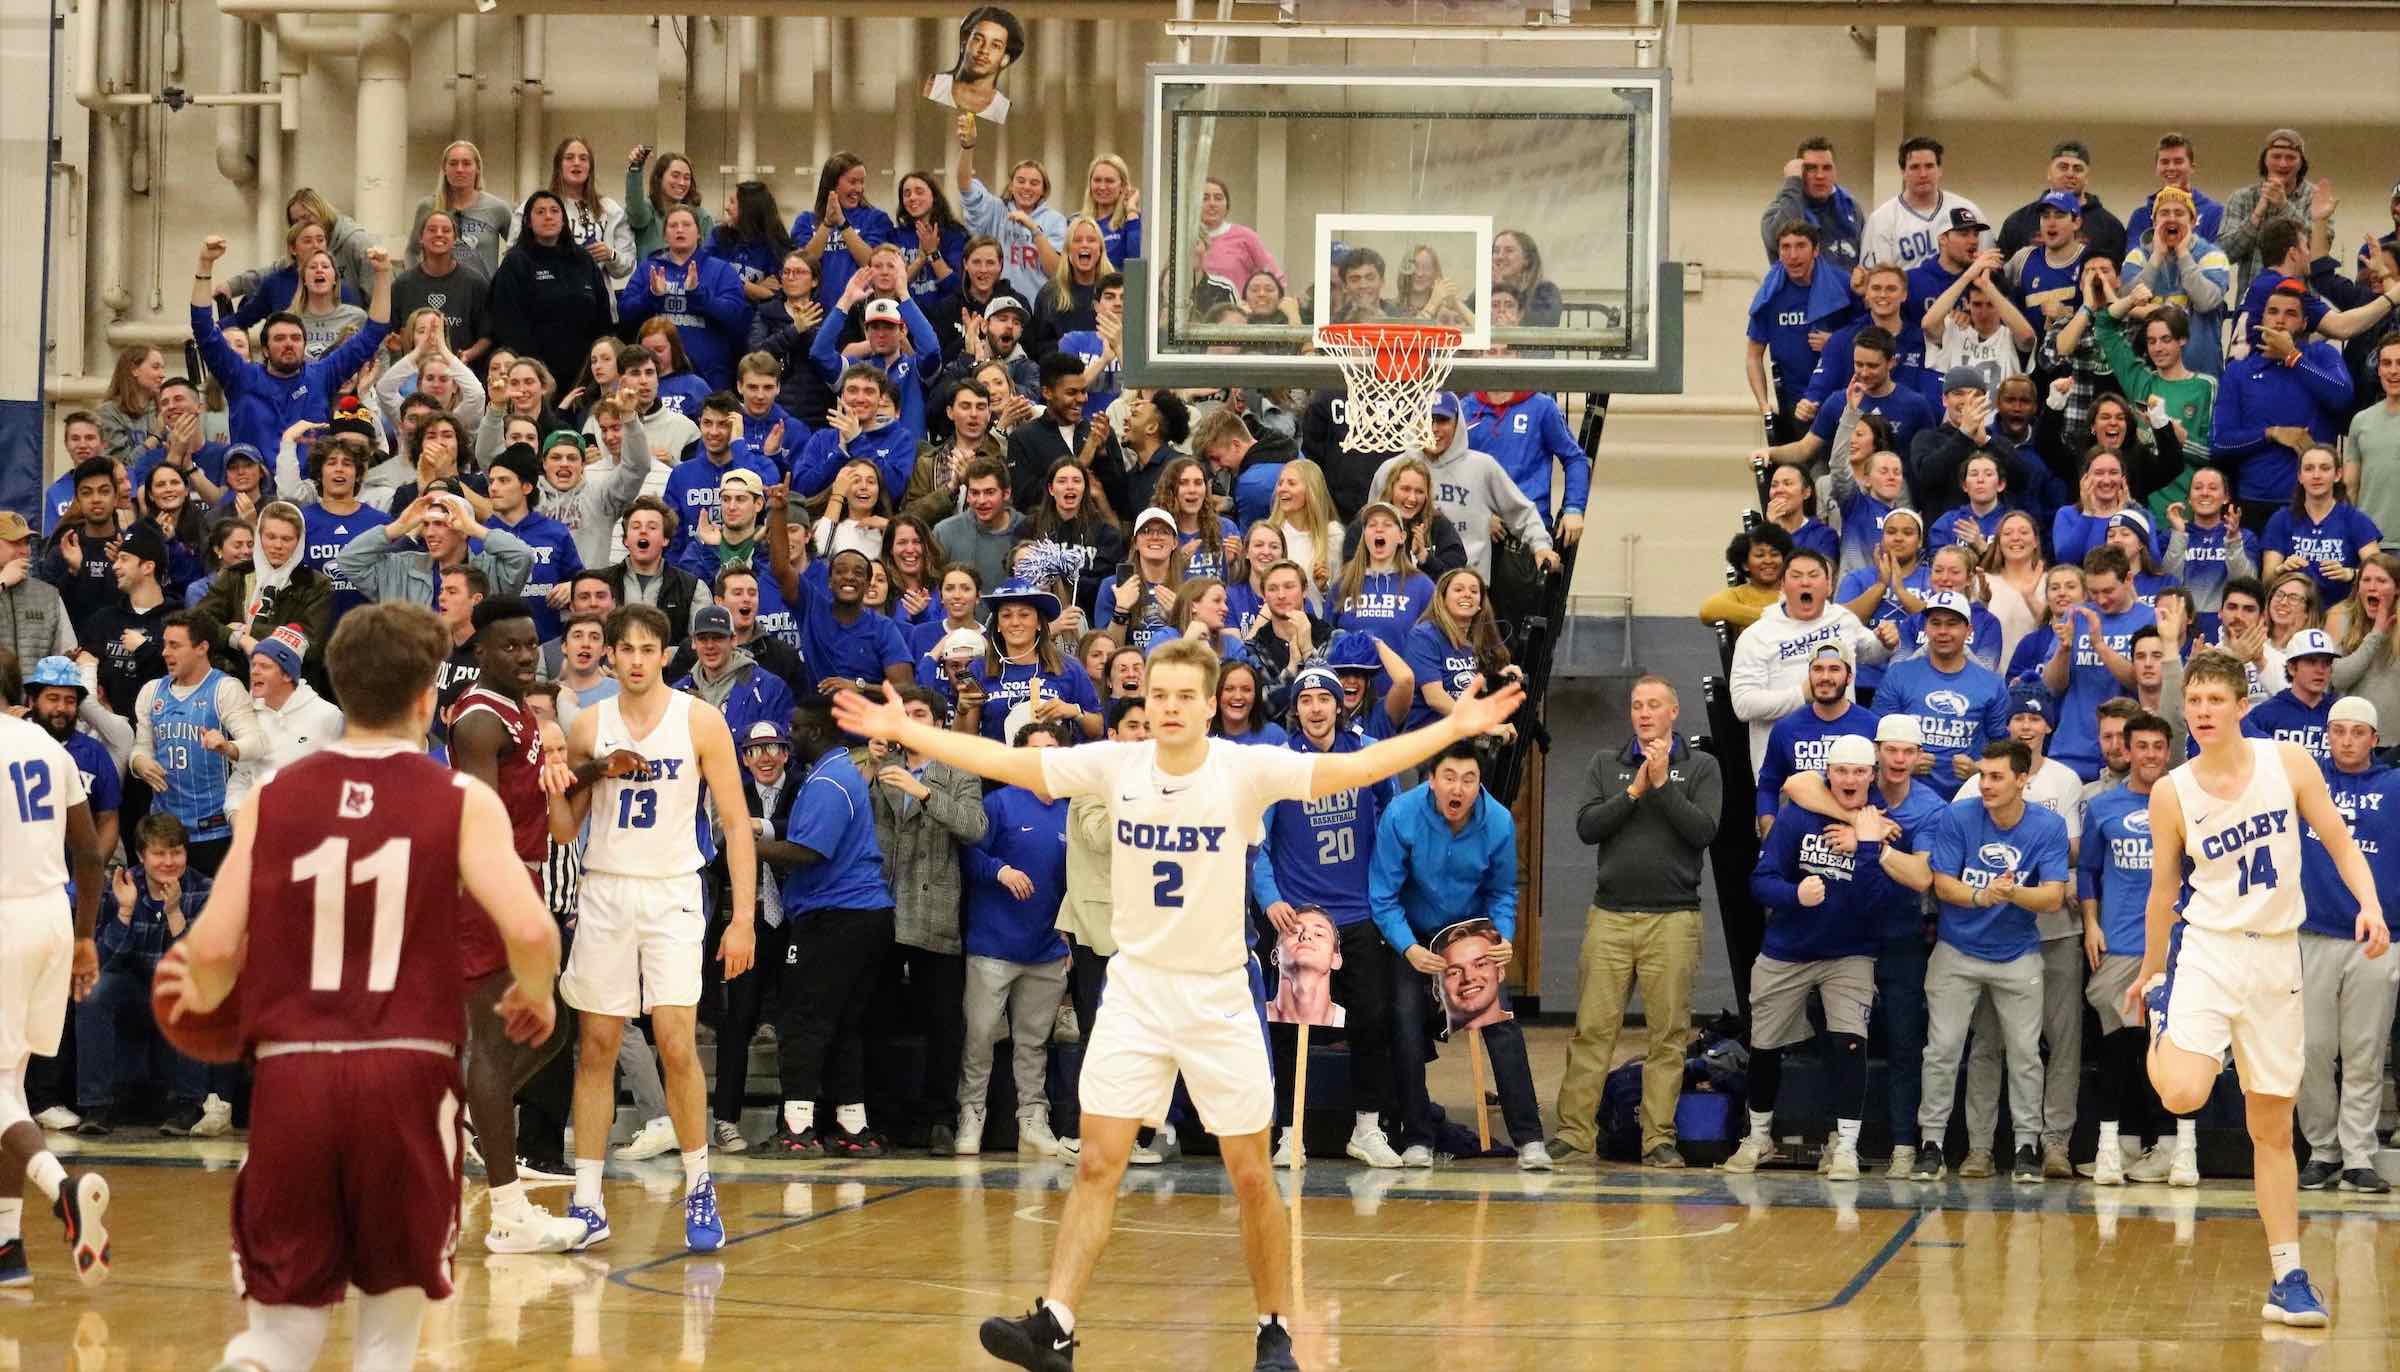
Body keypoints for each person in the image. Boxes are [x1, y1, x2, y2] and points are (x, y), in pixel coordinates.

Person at [832, 636, 1522, 1372]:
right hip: (1137, 988)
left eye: (1184, 697)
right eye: (1158, 695)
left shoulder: (1245, 768)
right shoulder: (1115, 764)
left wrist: (1450, 728)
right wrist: (907, 732)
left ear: (1209, 705)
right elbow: (1009, 763)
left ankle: (1275, 1328)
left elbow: (1353, 768)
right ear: (1145, 701)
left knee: (1252, 1173)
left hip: (1219, 993)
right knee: (1098, 1162)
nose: (1169, 707)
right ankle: (1057, 1322)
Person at [155, 601, 560, 1367]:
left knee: (280, 1335)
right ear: (426, 698)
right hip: (408, 1073)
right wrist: (534, 993)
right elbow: (533, 933)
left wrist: (204, 1014)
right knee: (386, 1338)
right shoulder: (459, 799)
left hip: (293, 1073)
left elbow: (207, 954)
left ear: (338, 688)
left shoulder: (274, 798)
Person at [2129, 649, 2388, 1326]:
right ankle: (2166, 1014)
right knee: (2183, 1091)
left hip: (2279, 960)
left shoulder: (2288, 764)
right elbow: (2162, 892)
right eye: (2195, 701)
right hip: (2208, 950)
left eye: (2217, 700)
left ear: (2242, 706)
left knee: (2271, 1128)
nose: (2205, 711)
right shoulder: (2171, 791)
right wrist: (2152, 970)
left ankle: (2289, 1276)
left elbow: (2336, 837)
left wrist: (2370, 903)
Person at [546, 604, 757, 1253]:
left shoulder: (700, 720)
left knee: (675, 1041)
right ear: (609, 656)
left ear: (666, 654)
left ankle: (699, 1184)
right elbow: (561, 829)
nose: (636, 659)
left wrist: (743, 917)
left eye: (647, 648)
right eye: (625, 649)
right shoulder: (587, 725)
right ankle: (586, 1199)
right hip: (606, 887)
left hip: (672, 893)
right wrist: (572, 777)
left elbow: (736, 822)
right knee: (598, 1044)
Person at [442, 599, 589, 1253]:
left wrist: (595, 771)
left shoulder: (518, 712)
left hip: (522, 878)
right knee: (500, 1050)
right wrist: (507, 901)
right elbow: (477, 820)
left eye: (532, 645)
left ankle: (460, 1117)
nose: (528, 656)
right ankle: (507, 1213)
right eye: (511, 647)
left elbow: (531, 800)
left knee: (552, 1027)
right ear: (481, 653)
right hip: (487, 889)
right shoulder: (477, 719)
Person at [1731, 734, 1929, 1181]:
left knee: (1849, 1043)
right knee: (1764, 1043)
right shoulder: (1798, 815)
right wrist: (1794, 894)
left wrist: (1863, 848)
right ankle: (1758, 1136)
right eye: (1842, 771)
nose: (1851, 779)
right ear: (1829, 774)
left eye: (1860, 772)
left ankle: (1845, 1145)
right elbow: (1760, 881)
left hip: (1850, 951)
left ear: (1872, 775)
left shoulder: (1882, 824)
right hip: (1787, 948)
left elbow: (1876, 901)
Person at [1548, 675, 1721, 1168]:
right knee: (1592, 1029)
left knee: (1668, 1035)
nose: (1644, 713)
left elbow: (1703, 831)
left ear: (1674, 711)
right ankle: (1574, 1133)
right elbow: (1587, 827)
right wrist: (1634, 791)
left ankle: (1657, 1139)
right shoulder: (1607, 764)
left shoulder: (1702, 766)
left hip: (1674, 920)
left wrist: (1662, 785)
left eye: (1654, 705)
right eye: (1636, 706)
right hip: (1610, 917)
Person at [1370, 741, 1548, 1171]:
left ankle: (1530, 1139)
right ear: (1431, 780)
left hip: (1470, 935)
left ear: (1478, 783)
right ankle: (1417, 1138)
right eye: (1449, 777)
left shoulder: (1500, 822)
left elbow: (1503, 891)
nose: (1459, 788)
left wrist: (1501, 940)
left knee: (1501, 1027)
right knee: (1406, 1026)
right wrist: (1409, 948)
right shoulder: (1401, 814)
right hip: (1412, 936)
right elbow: (1382, 895)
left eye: (1469, 779)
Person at [1252, 666, 1402, 1167]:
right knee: (1292, 1027)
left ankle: (1367, 1128)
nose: (1316, 707)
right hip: (1300, 920)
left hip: (1358, 915)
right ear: (1296, 710)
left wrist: (1383, 891)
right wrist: (1270, 897)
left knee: (1372, 1021)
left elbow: (1395, 822)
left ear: (1342, 705)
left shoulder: (1367, 754)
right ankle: (1289, 1133)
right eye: (1307, 700)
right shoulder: (1280, 765)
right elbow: (1257, 842)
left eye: (1324, 698)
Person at [1910, 740, 2072, 1183]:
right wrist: (1984, 895)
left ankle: (2025, 1146)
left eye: (1997, 777)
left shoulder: (2048, 826)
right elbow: (1942, 885)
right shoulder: (1959, 816)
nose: (1985, 784)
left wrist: (2012, 893)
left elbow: (2054, 896)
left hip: (2017, 954)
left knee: (2024, 1054)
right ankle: (1932, 1143)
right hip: (1957, 950)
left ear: (2023, 780)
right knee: (1941, 1049)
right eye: (1982, 775)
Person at [0, 648, 111, 1289]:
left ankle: (61, 1189)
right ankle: (8, 1248)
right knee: (9, 1088)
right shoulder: (50, 747)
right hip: (49, 916)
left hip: (5, 919)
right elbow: (89, 853)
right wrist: (85, 937)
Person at [756, 700, 898, 1158]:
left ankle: (798, 1128)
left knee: (804, 1021)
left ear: (815, 731)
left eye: (794, 728)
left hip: (835, 916)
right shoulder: (837, 774)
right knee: (842, 1026)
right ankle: (852, 1128)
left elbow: (809, 852)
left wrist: (749, 846)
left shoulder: (829, 780)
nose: (789, 735)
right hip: (861, 916)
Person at [2075, 710, 2191, 1188]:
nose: (2149, 755)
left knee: (2165, 1047)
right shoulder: (2103, 808)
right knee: (2119, 1047)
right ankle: (2121, 1143)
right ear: (2127, 750)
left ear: (2168, 753)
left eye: (2157, 747)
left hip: (2172, 946)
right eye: (2140, 746)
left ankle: (2168, 1146)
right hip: (2118, 943)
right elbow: (2086, 871)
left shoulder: (2187, 805)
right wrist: (2089, 924)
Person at [955, 714, 1076, 1159]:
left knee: (1033, 1042)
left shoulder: (1072, 809)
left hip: (1047, 949)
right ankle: (971, 1115)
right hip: (993, 945)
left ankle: (1033, 1119)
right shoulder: (1000, 803)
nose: (1042, 759)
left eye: (1051, 751)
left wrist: (1069, 935)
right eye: (1033, 750)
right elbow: (968, 855)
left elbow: (1080, 879)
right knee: (981, 1036)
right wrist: (1000, 870)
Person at [2292, 696, 2399, 1194]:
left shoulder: (2395, 788)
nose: (2348, 741)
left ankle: (2357, 1155)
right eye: (2339, 731)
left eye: (2359, 732)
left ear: (2375, 739)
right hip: (2312, 932)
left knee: (2364, 1050)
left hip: (2379, 937)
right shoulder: (2304, 784)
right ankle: (2322, 1149)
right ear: (2326, 735)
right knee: (2310, 1049)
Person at [190, 235, 395, 457]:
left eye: (296, 338)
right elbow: (203, 328)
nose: (289, 343)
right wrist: (205, 263)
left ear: (305, 345)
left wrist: (383, 274)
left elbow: (374, 331)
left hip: (311, 489)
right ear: (265, 350)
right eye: (279, 339)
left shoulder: (322, 375)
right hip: (254, 488)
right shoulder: (241, 376)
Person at [127, 610, 263, 876]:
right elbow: (141, 746)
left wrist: (228, 747)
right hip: (165, 830)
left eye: (175, 645)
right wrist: (139, 762)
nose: (165, 652)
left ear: (202, 648)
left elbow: (256, 743)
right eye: (165, 644)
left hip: (214, 831)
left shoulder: (225, 688)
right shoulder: (151, 691)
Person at [1729, 549, 1883, 769]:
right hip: (1786, 767)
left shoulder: (1843, 620)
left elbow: (1871, 653)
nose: (1805, 583)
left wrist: (1886, 643)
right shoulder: (1756, 637)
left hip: (1846, 764)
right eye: (1796, 576)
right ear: (1782, 585)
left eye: (1813, 575)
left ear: (1829, 585)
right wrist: (1801, 695)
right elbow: (1744, 705)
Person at [1874, 589, 2010, 800]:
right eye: (1935, 623)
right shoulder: (1899, 675)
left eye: (1952, 623)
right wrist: (1904, 765)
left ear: (1968, 630)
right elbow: (1877, 737)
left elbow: (2002, 748)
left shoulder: (1991, 684)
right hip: (1907, 797)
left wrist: (1979, 770)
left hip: (1968, 798)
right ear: (1926, 628)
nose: (1943, 631)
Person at [1753, 642, 1876, 834]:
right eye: (1818, 669)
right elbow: (1768, 786)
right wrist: (1769, 828)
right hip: (1800, 833)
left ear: (1849, 677)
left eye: (1834, 669)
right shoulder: (1786, 728)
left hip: (1853, 833)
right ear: (1809, 675)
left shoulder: (1871, 726)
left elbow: (1882, 788)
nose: (1825, 677)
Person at [1758, 137, 1863, 273]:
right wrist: (1792, 182)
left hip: (1842, 293)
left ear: (1834, 172)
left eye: (1826, 168)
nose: (1820, 175)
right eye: (1811, 168)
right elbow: (1779, 240)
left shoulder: (1851, 207)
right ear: (1800, 172)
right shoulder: (1779, 210)